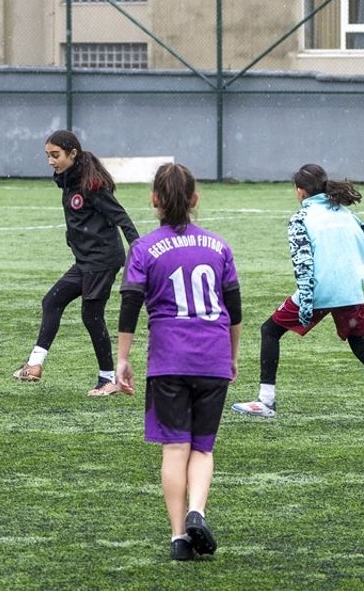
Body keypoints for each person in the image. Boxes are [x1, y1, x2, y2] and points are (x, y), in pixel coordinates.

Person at [116, 162, 241, 561]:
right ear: (194, 200)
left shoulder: (143, 248)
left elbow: (130, 305)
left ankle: (178, 539)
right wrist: (232, 357)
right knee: (202, 449)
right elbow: (234, 310)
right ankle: (197, 511)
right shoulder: (219, 246)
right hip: (213, 355)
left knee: (174, 448)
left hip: (169, 359)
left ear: (154, 200)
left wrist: (121, 359)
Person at [232, 164, 364, 421]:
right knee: (362, 348)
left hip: (319, 292)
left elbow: (303, 263)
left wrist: (306, 302)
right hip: (351, 293)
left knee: (270, 331)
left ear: (301, 191)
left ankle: (266, 402)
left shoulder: (300, 218)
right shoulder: (348, 214)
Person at [14, 130, 140, 395]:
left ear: (73, 154)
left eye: (55, 155)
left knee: (91, 315)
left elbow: (121, 217)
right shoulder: (69, 180)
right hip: (85, 261)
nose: (50, 161)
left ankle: (108, 379)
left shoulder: (91, 185)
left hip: (102, 260)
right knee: (52, 301)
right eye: (47, 155)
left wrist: (139, 250)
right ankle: (34, 365)